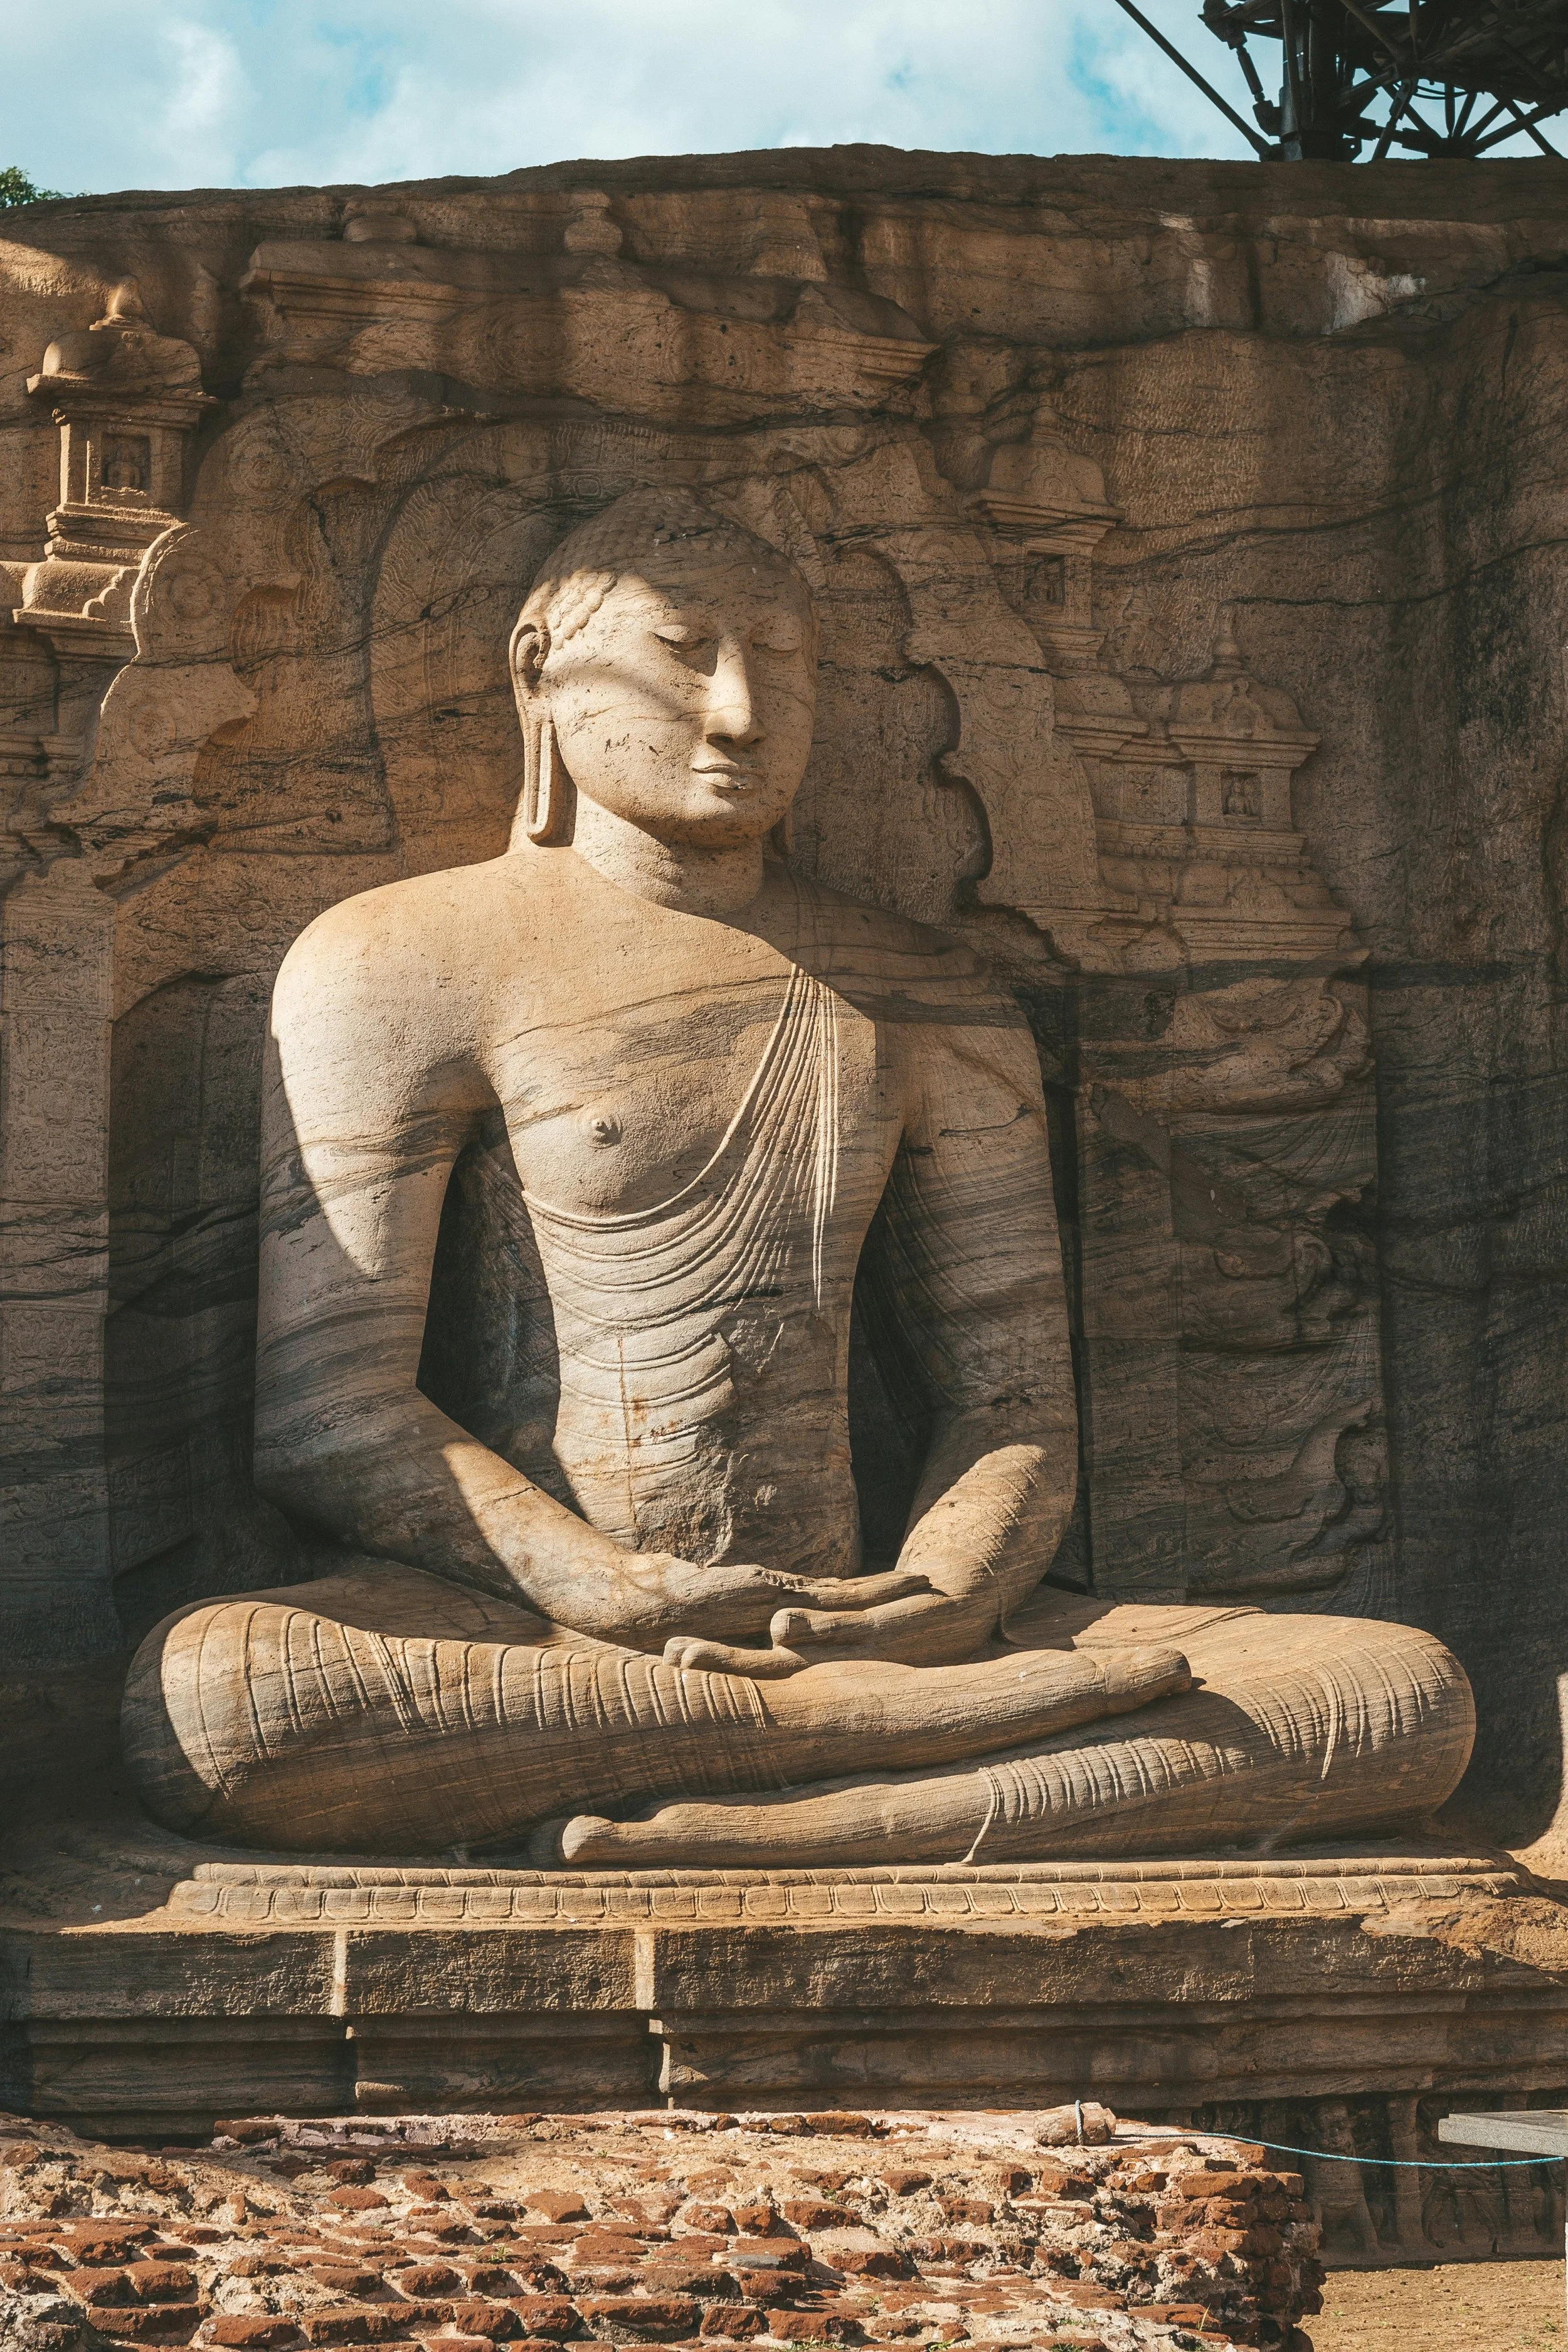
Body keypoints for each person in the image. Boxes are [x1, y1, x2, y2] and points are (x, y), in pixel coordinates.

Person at [122, 487, 1473, 1862]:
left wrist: (948, 1588)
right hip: (536, 1624)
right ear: (538, 670)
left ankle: (804, 1810)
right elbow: (329, 1415)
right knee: (224, 1701)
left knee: (1397, 1694)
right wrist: (601, 1586)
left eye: (785, 660)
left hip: (863, 1616)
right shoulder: (401, 961)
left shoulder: (919, 988)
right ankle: (861, 1748)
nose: (742, 712)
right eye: (683, 651)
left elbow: (1007, 1403)